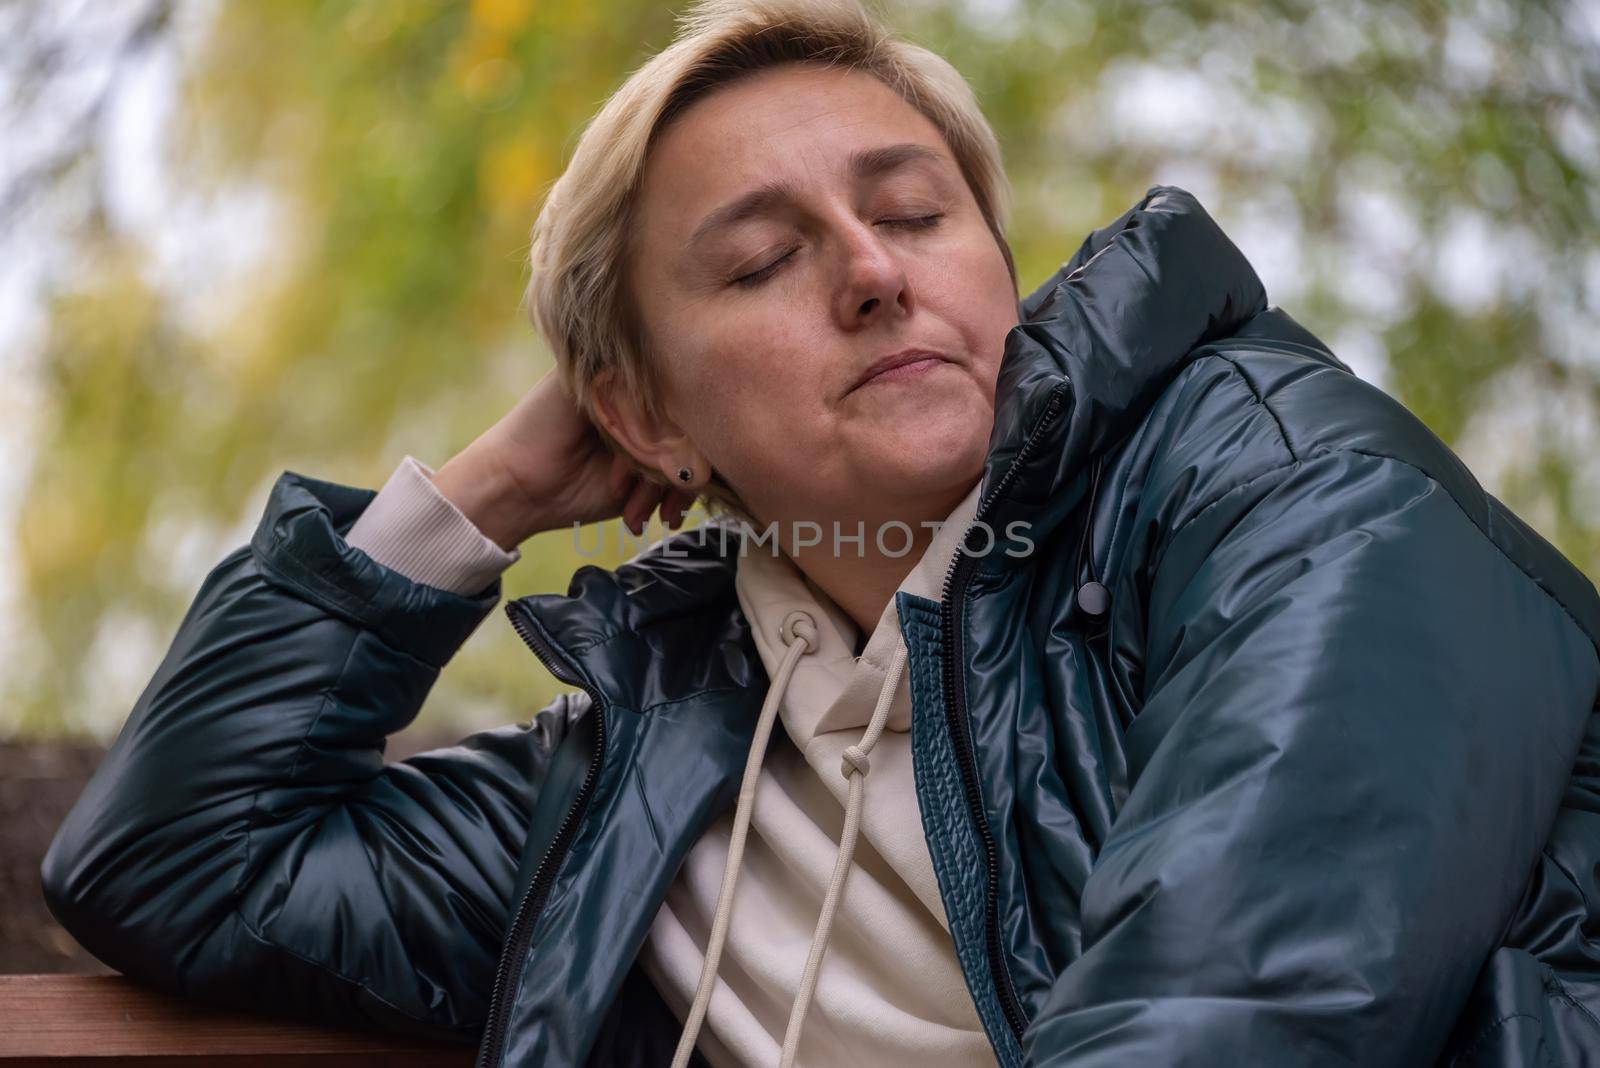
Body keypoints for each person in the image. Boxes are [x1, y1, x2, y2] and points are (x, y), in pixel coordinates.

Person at [40, 0, 1600, 1065]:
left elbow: (1245, 1009)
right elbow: (186, 861)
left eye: (915, 214)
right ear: (643, 419)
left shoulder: (1273, 487)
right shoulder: (647, 788)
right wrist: (496, 491)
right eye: (763, 260)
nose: (871, 273)